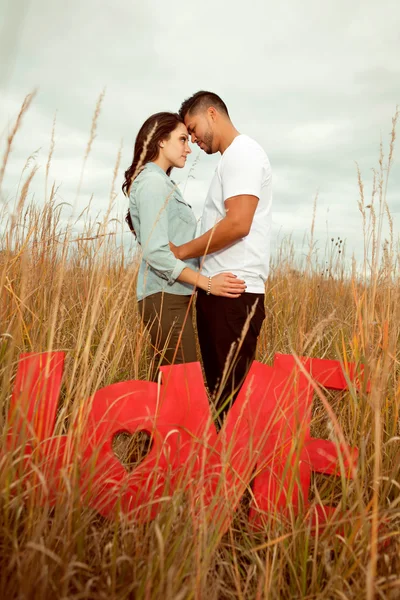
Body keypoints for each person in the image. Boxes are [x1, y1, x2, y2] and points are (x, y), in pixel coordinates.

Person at [122, 111, 246, 380]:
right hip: (164, 297)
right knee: (184, 388)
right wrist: (208, 283)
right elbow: (157, 253)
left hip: (173, 296)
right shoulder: (153, 182)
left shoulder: (162, 182)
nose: (189, 148)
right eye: (182, 139)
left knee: (170, 386)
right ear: (160, 141)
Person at [171, 92, 272, 414]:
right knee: (221, 395)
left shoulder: (242, 154)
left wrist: (181, 251)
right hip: (223, 292)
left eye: (193, 127)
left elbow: (238, 224)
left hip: (232, 294)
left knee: (229, 401)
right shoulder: (233, 158)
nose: (193, 139)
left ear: (212, 113)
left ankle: (233, 464)